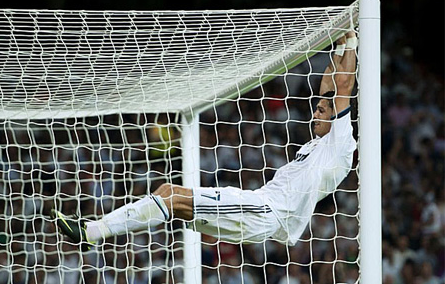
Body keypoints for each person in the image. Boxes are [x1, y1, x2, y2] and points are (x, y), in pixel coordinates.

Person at [51, 31, 358, 249]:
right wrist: (341, 42)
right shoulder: (318, 145)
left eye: (321, 110)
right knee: (172, 200)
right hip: (261, 211)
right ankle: (93, 232)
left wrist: (354, 39)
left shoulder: (341, 142)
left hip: (266, 210)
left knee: (171, 195)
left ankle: (92, 231)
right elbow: (329, 84)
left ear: (337, 115)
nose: (314, 113)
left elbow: (342, 86)